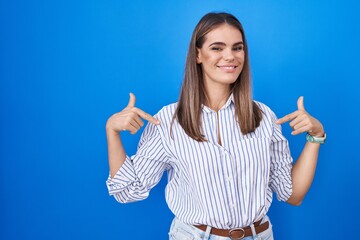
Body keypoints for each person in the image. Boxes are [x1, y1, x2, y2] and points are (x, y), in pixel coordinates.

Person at [105, 12, 325, 240]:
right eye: (217, 48)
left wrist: (316, 137)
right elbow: (128, 190)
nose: (230, 56)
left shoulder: (264, 117)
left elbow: (293, 195)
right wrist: (112, 132)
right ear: (198, 54)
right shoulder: (168, 121)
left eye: (237, 48)